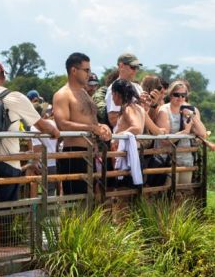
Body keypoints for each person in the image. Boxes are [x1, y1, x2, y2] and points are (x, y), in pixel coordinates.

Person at [0, 60, 58, 204]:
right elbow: (43, 126)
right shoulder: (15, 97)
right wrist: (55, 132)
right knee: (4, 217)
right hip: (8, 164)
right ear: (4, 77)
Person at [52, 52, 112, 195]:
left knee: (93, 201)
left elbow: (91, 119)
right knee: (76, 203)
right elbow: (62, 124)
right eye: (86, 70)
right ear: (73, 70)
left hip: (91, 153)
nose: (89, 74)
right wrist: (92, 128)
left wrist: (102, 126)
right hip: (75, 153)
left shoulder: (84, 93)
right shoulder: (63, 94)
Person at [157, 80, 214, 186]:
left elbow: (203, 134)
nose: (180, 98)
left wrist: (193, 116)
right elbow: (164, 141)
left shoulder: (192, 109)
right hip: (168, 158)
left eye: (183, 95)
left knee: (184, 191)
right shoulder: (164, 111)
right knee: (169, 192)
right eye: (176, 95)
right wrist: (185, 132)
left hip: (186, 157)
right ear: (170, 95)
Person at [109, 79, 146, 189]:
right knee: (132, 195)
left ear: (116, 94)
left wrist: (117, 137)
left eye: (112, 94)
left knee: (122, 195)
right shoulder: (139, 108)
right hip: (135, 154)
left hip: (128, 157)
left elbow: (137, 128)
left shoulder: (128, 108)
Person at [105, 53, 144, 127]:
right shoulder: (113, 88)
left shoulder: (138, 87)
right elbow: (113, 121)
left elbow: (145, 117)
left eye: (137, 67)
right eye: (133, 67)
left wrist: (148, 107)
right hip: (124, 136)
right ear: (121, 66)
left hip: (137, 136)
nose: (135, 71)